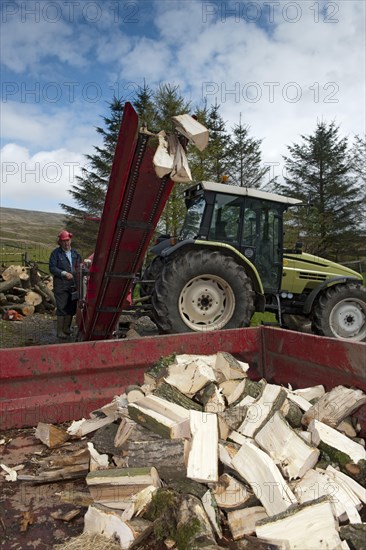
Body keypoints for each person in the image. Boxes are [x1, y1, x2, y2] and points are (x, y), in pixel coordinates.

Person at [49, 230, 82, 339]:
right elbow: (52, 268)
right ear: (60, 242)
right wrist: (63, 273)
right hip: (61, 285)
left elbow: (80, 267)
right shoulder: (56, 253)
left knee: (71, 307)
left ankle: (67, 328)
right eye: (63, 241)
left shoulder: (75, 253)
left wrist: (85, 265)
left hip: (73, 285)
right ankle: (59, 331)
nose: (66, 243)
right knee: (62, 308)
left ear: (70, 240)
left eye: (67, 240)